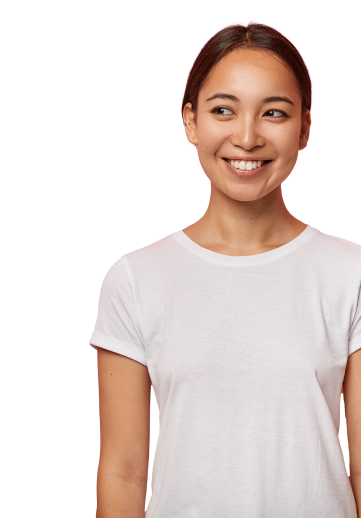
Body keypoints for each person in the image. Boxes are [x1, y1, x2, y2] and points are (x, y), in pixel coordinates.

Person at [91, 20, 361, 518]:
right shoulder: (135, 278)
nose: (247, 136)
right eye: (223, 110)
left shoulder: (351, 273)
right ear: (189, 121)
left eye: (274, 113)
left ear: (305, 127)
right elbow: (123, 470)